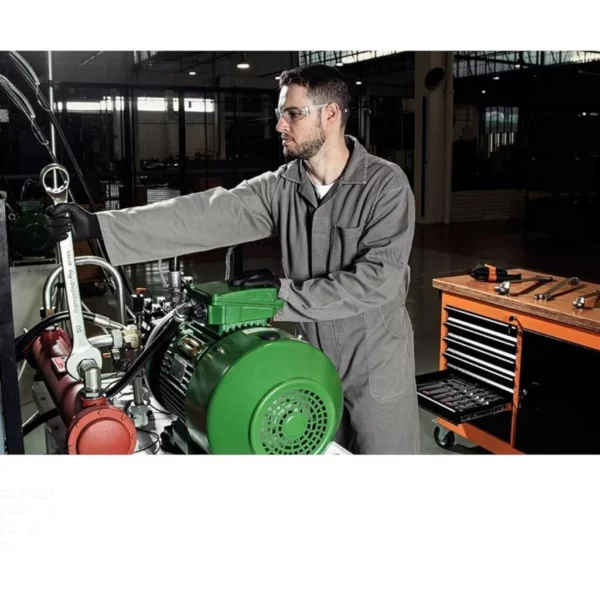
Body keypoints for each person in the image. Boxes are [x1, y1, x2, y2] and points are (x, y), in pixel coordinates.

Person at [46, 64, 419, 455]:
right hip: (311, 358)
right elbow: (205, 213)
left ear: (330, 114)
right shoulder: (283, 186)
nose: (280, 125)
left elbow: (378, 280)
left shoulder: (384, 185)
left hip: (375, 362)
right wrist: (99, 225)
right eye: (280, 114)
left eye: (293, 114)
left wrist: (280, 294)